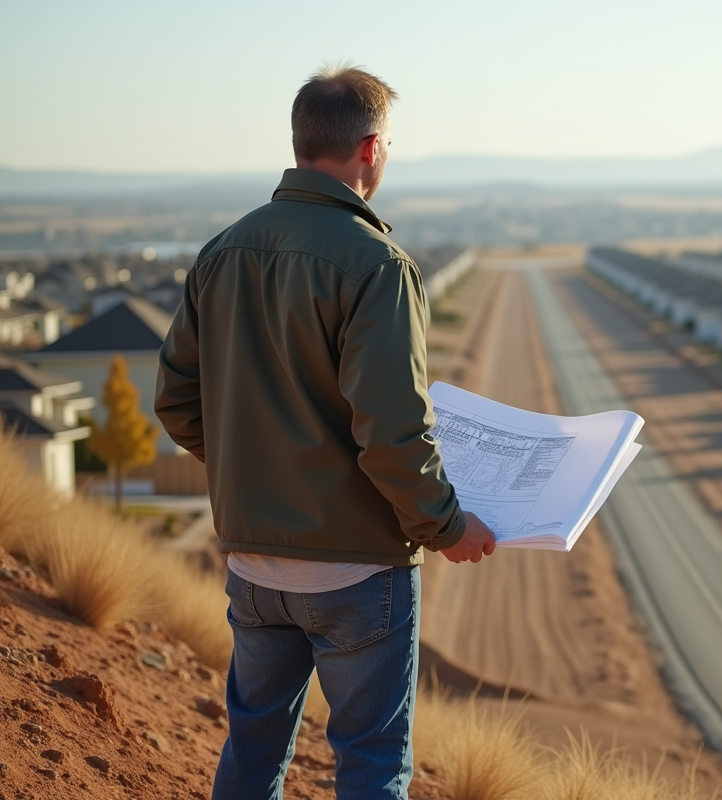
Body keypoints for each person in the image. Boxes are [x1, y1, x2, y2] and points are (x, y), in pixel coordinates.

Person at [155, 64, 496, 800]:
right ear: (371, 150)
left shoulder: (222, 251)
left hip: (252, 567)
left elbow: (177, 400)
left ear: (301, 141)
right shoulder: (379, 265)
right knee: (371, 765)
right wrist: (445, 525)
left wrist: (259, 468)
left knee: (252, 755)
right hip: (359, 575)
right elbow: (393, 434)